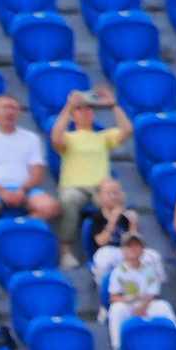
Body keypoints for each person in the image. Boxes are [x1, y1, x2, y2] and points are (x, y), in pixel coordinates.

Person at [0, 94, 61, 246]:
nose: (10, 112)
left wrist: (22, 190)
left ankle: (15, 236)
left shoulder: (31, 138)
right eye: (5, 107)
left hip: (25, 190)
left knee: (51, 207)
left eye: (14, 108)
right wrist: (1, 191)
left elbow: (37, 174)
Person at [48, 88, 128, 264]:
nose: (85, 112)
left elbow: (126, 130)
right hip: (75, 187)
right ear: (73, 116)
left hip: (100, 188)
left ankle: (123, 248)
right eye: (80, 109)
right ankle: (66, 253)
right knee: (69, 199)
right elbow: (55, 139)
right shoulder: (68, 137)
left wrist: (113, 105)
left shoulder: (102, 137)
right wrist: (68, 107)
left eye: (88, 109)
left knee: (116, 200)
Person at [101, 230, 176, 350]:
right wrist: (128, 301)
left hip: (146, 304)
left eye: (137, 246)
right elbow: (114, 297)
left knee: (163, 306)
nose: (134, 249)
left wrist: (143, 306)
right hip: (127, 304)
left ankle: (175, 342)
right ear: (123, 250)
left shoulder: (148, 270)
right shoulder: (118, 272)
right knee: (117, 311)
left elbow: (152, 292)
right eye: (129, 246)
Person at [78, 175, 145, 285]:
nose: (113, 197)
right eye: (109, 194)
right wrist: (112, 221)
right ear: (100, 197)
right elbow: (101, 241)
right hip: (105, 251)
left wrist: (133, 223)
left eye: (116, 193)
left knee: (152, 257)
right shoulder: (95, 217)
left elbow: (135, 241)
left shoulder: (126, 217)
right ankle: (104, 289)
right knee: (105, 258)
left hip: (125, 250)